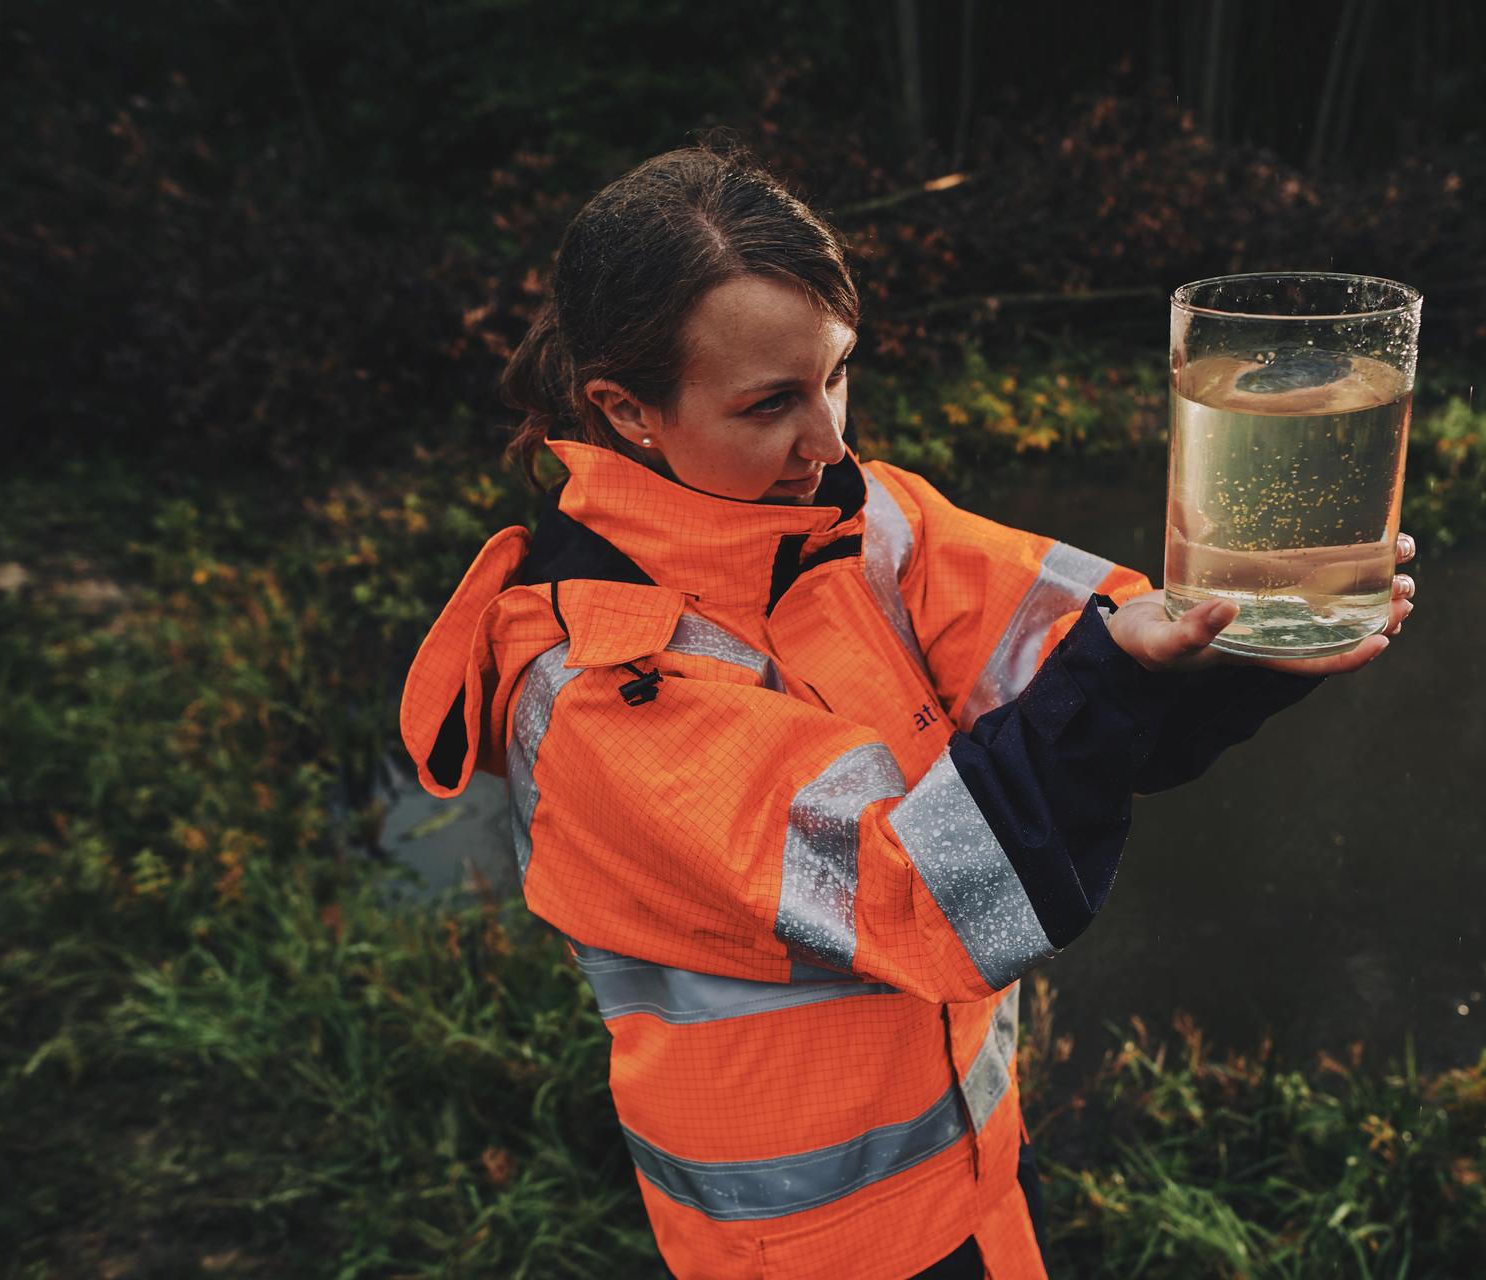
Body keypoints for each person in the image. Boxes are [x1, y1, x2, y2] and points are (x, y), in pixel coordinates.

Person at [398, 143, 1415, 1280]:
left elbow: (1090, 655)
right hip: (811, 1250)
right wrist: (1118, 678)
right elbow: (925, 890)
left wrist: (1253, 636)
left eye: (836, 373)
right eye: (771, 403)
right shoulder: (596, 689)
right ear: (627, 410)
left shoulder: (861, 518)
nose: (829, 439)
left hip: (978, 1183)